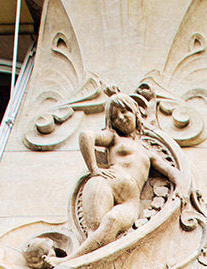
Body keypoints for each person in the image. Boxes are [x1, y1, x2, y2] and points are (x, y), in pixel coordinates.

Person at [76, 93, 181, 256]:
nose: (121, 118)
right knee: (95, 231)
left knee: (113, 220)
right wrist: (94, 169)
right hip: (105, 182)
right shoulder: (113, 138)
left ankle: (71, 260)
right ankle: (76, 260)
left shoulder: (148, 152)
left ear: (135, 113)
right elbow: (86, 136)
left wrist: (183, 191)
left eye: (125, 111)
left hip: (130, 200)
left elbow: (170, 171)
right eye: (115, 117)